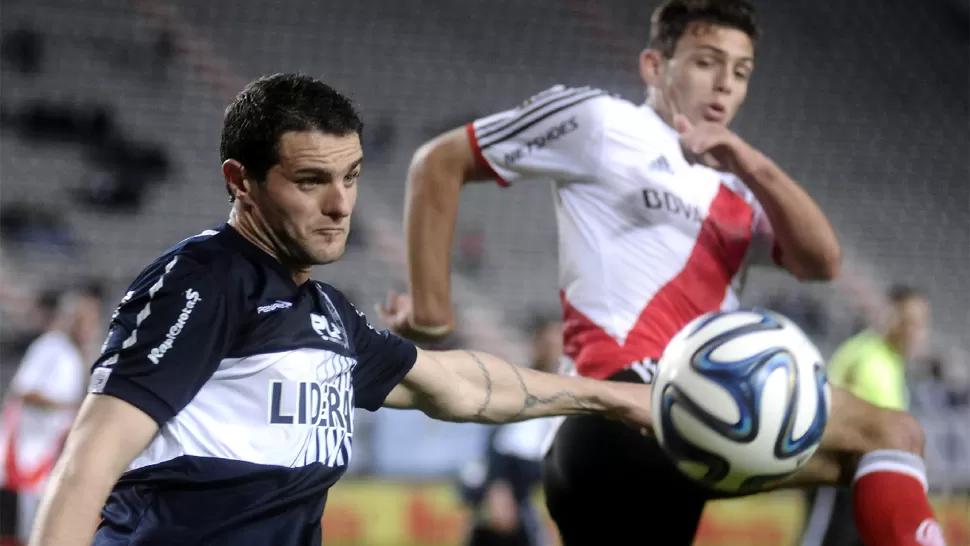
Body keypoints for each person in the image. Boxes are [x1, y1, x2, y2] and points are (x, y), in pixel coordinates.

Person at [390, 1, 947, 544]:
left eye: (741, 71)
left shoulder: (738, 190)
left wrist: (749, 161)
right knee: (886, 433)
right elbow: (439, 161)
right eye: (707, 62)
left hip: (703, 416)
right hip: (613, 414)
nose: (725, 83)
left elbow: (821, 261)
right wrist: (432, 311)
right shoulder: (602, 122)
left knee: (892, 435)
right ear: (655, 67)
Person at [27, 73, 658, 546]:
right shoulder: (204, 283)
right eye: (311, 181)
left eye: (351, 176)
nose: (341, 205)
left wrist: (610, 396)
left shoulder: (324, 312)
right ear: (240, 181)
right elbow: (89, 463)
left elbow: (461, 387)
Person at [800, 284, 931, 546]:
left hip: (864, 478)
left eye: (920, 325)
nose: (914, 333)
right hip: (837, 478)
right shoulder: (866, 358)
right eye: (908, 322)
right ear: (890, 318)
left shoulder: (889, 360)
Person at [0, 283, 104, 546]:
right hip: (21, 454)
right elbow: (25, 392)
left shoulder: (73, 355)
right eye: (83, 319)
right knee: (14, 527)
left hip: (44, 454)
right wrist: (71, 409)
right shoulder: (50, 346)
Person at [455, 314, 562, 546]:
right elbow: (499, 445)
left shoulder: (575, 391)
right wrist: (498, 484)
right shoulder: (519, 390)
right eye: (549, 344)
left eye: (559, 345)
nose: (555, 353)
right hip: (516, 487)